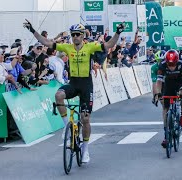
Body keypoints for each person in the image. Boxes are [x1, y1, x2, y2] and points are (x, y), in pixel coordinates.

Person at [23, 19, 125, 163]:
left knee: (85, 118)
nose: (75, 36)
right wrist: (32, 30)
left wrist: (118, 32)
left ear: (83, 35)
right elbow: (46, 42)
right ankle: (66, 128)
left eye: (78, 34)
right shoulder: (67, 47)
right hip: (73, 83)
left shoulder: (90, 46)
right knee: (58, 95)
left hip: (86, 85)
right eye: (73, 34)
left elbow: (109, 45)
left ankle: (85, 149)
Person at [155, 49, 182, 148]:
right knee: (165, 107)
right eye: (169, 65)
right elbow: (159, 82)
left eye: (173, 65)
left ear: (177, 61)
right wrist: (158, 94)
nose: (171, 67)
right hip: (169, 83)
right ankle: (166, 135)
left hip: (181, 82)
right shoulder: (162, 65)